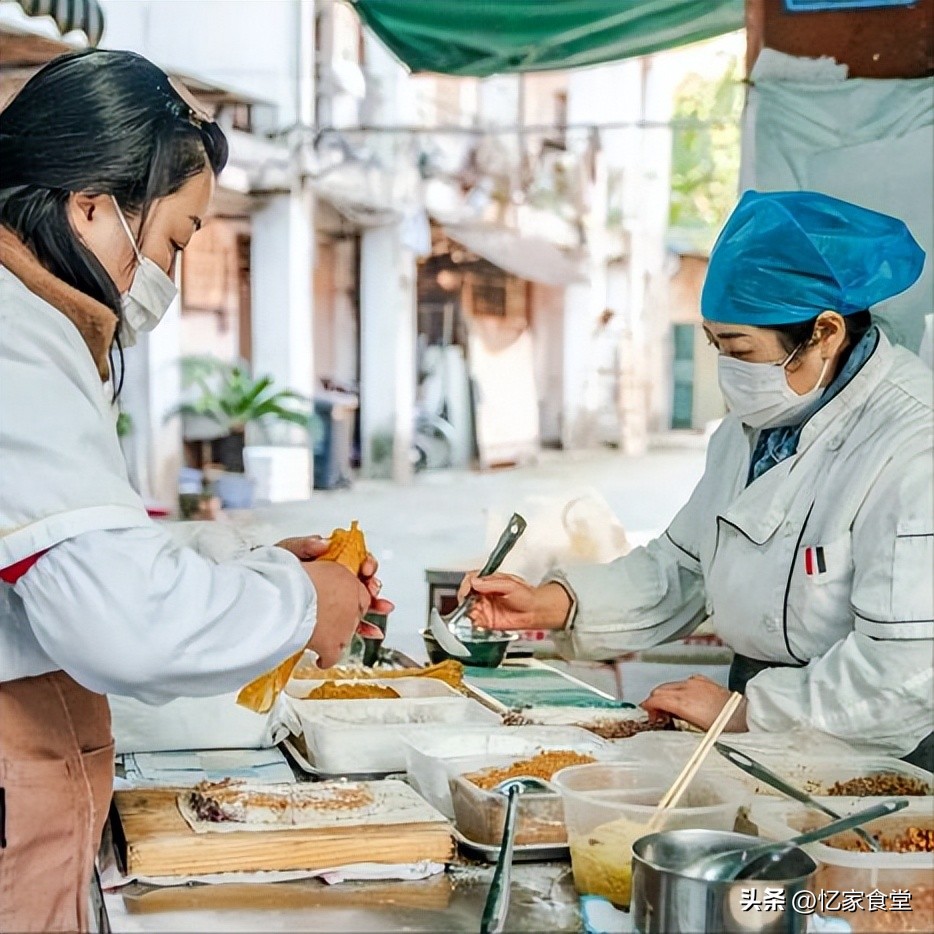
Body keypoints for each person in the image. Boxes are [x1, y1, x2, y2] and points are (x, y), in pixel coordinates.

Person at [0, 51, 384, 932]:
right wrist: (299, 602)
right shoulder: (16, 337)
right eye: (173, 238)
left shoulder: (44, 328)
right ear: (92, 204)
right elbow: (122, 624)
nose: (163, 274)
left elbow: (68, 555)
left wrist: (248, 565)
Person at [460, 190, 933, 768]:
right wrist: (549, 603)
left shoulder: (914, 445)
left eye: (739, 348)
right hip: (762, 719)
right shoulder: (754, 426)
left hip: (881, 749)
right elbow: (684, 565)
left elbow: (908, 671)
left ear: (826, 333)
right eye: (714, 345)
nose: (727, 370)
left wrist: (750, 713)